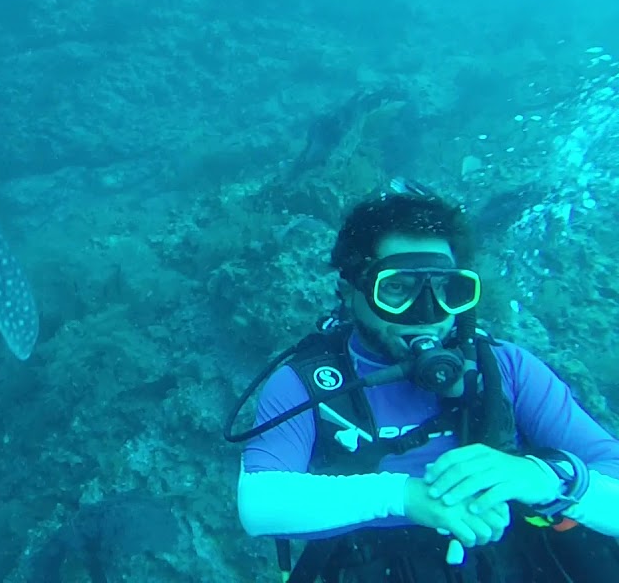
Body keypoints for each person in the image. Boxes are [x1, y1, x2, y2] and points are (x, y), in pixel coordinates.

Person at [225, 183, 619, 582]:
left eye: (447, 289)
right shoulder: (309, 384)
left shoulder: (505, 368)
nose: (428, 313)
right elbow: (260, 504)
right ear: (349, 292)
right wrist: (406, 497)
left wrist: (544, 478)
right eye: (396, 287)